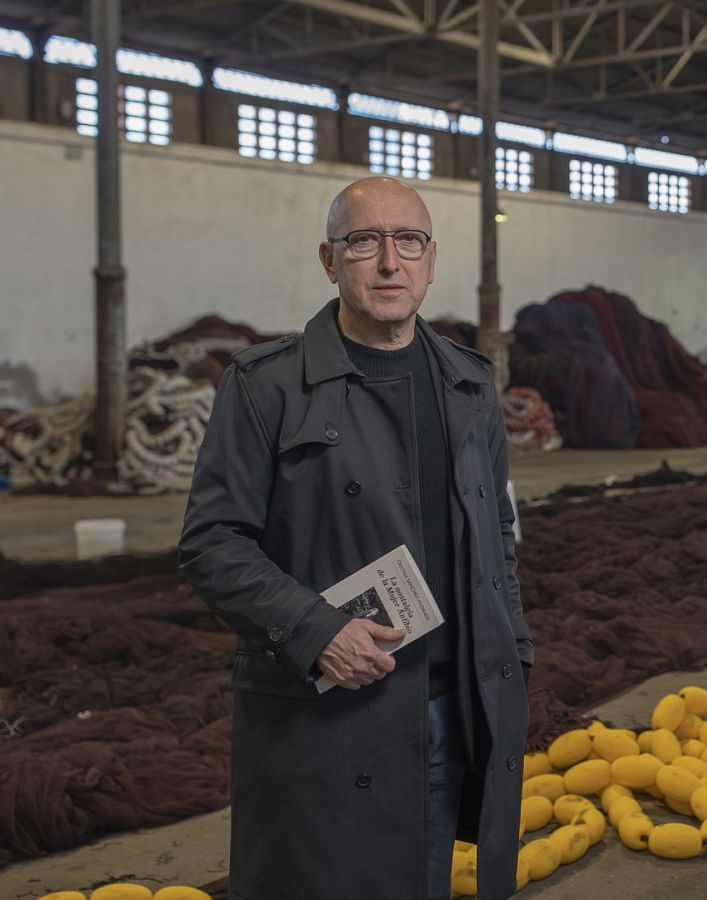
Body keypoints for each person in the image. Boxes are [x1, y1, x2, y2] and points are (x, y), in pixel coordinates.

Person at [179, 177, 533, 900]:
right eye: (364, 242)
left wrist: (512, 651)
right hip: (330, 716)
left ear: (432, 260)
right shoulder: (265, 387)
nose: (388, 263)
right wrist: (316, 629)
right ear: (329, 259)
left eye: (408, 242)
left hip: (449, 708)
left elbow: (498, 526)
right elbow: (212, 542)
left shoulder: (470, 386)